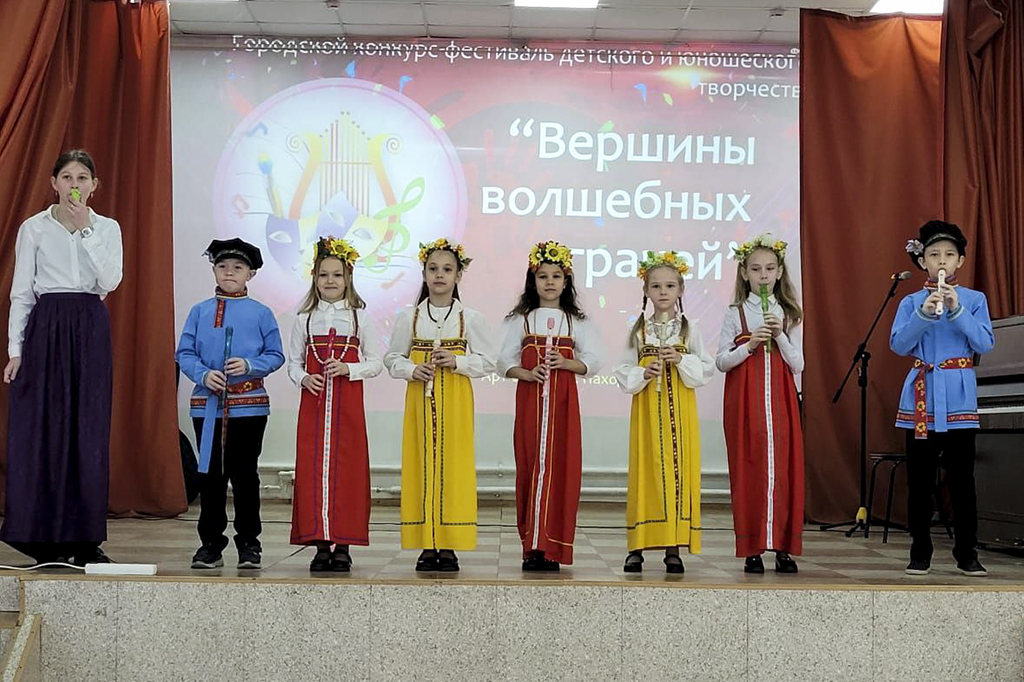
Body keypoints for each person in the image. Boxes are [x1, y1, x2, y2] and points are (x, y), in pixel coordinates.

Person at [1, 149, 123, 566]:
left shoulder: (106, 228)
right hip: (47, 325)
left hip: (89, 323)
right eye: (67, 177)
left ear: (94, 185)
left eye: (82, 178)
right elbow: (21, 292)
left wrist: (86, 229)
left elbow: (110, 280)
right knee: (45, 427)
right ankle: (42, 537)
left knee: (88, 428)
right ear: (54, 183)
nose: (74, 185)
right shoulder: (33, 228)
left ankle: (85, 539)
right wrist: (15, 350)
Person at [384, 238, 496, 572]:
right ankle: (425, 542)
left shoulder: (469, 318)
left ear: (458, 275)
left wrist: (457, 361)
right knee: (420, 464)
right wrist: (411, 369)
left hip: (456, 401)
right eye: (433, 269)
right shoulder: (410, 316)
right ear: (424, 273)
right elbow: (392, 358)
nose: (439, 275)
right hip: (419, 400)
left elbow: (489, 361)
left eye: (447, 269)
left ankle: (448, 543)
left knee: (454, 466)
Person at [892, 220, 993, 577]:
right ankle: (920, 550)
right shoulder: (911, 302)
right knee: (919, 482)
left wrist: (957, 309)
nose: (942, 261)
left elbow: (984, 343)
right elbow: (899, 344)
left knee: (962, 480)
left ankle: (967, 553)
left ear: (960, 261)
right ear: (923, 262)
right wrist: (924, 313)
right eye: (934, 255)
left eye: (949, 255)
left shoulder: (974, 300)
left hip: (958, 398)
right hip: (921, 397)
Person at [176, 238, 284, 570]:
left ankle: (250, 543)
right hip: (207, 405)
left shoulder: (262, 313)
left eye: (238, 267)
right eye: (222, 266)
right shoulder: (199, 311)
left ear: (251, 274)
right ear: (214, 270)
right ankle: (210, 544)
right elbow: (184, 352)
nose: (229, 272)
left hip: (249, 407)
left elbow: (276, 355)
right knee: (211, 477)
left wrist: (250, 365)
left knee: (245, 476)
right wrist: (203, 374)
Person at [497, 241, 603, 571]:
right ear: (533, 280)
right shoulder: (522, 320)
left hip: (563, 406)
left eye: (556, 276)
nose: (550, 282)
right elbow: (503, 361)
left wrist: (568, 363)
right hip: (530, 404)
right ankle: (532, 547)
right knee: (530, 466)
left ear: (566, 280)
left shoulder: (577, 321)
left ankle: (553, 548)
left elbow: (594, 360)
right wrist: (526, 373)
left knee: (561, 469)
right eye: (543, 276)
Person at [613, 251, 714, 574]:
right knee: (645, 472)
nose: (663, 292)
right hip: (647, 413)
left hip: (680, 414)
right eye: (656, 286)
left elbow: (706, 368)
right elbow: (621, 369)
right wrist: (642, 373)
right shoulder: (638, 330)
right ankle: (637, 546)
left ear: (681, 289)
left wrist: (681, 360)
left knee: (678, 474)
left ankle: (673, 547)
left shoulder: (689, 328)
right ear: (646, 290)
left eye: (670, 286)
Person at [287, 236, 382, 572]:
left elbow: (376, 362)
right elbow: (293, 363)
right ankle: (319, 544)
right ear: (314, 278)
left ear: (348, 278)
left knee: (348, 470)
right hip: (314, 408)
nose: (330, 280)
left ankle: (343, 544)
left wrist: (349, 369)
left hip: (348, 408)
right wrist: (303, 378)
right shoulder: (304, 318)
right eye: (323, 274)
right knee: (313, 470)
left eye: (337, 275)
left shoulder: (358, 318)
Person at [715, 234, 804, 574]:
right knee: (749, 469)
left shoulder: (789, 314)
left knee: (782, 471)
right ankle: (752, 548)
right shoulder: (735, 313)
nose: (763, 275)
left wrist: (779, 335)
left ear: (779, 272)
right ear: (744, 273)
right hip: (745, 404)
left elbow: (798, 364)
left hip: (780, 405)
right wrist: (750, 344)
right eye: (755, 269)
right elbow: (722, 361)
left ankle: (783, 547)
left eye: (769, 269)